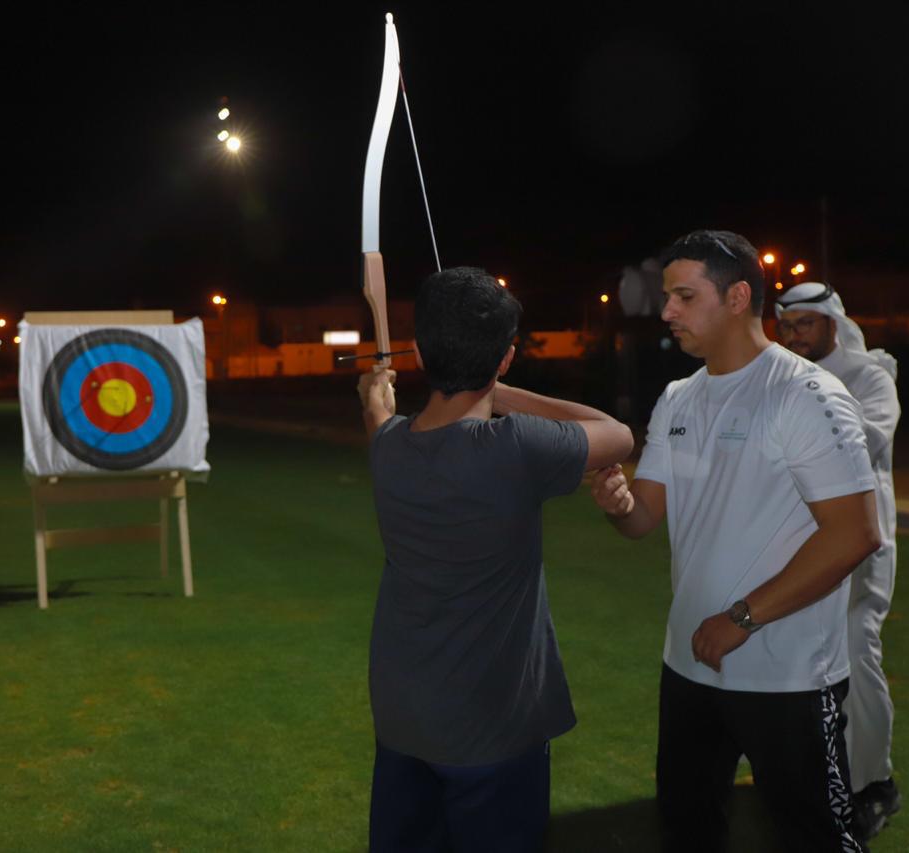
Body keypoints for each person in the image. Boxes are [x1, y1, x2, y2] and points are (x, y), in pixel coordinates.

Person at [590, 230, 881, 851]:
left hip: (788, 678)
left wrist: (742, 618)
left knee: (814, 837)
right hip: (689, 666)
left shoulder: (805, 395)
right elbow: (645, 518)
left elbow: (854, 534)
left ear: (738, 296)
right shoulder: (678, 397)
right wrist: (619, 504)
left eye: (684, 296)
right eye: (668, 296)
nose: (666, 311)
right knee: (689, 829)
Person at [358, 266, 633, 852]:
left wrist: (378, 397)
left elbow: (381, 418)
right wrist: (496, 387)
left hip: (403, 716)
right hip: (493, 730)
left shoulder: (387, 448)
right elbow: (616, 433)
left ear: (421, 353)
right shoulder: (515, 448)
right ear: (506, 358)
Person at [776, 281, 902, 842]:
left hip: (863, 548)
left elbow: (865, 442)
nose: (796, 335)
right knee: (805, 660)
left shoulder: (870, 377)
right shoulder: (787, 378)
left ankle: (875, 784)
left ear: (832, 322)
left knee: (858, 651)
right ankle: (825, 771)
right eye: (788, 325)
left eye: (806, 323)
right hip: (804, 546)